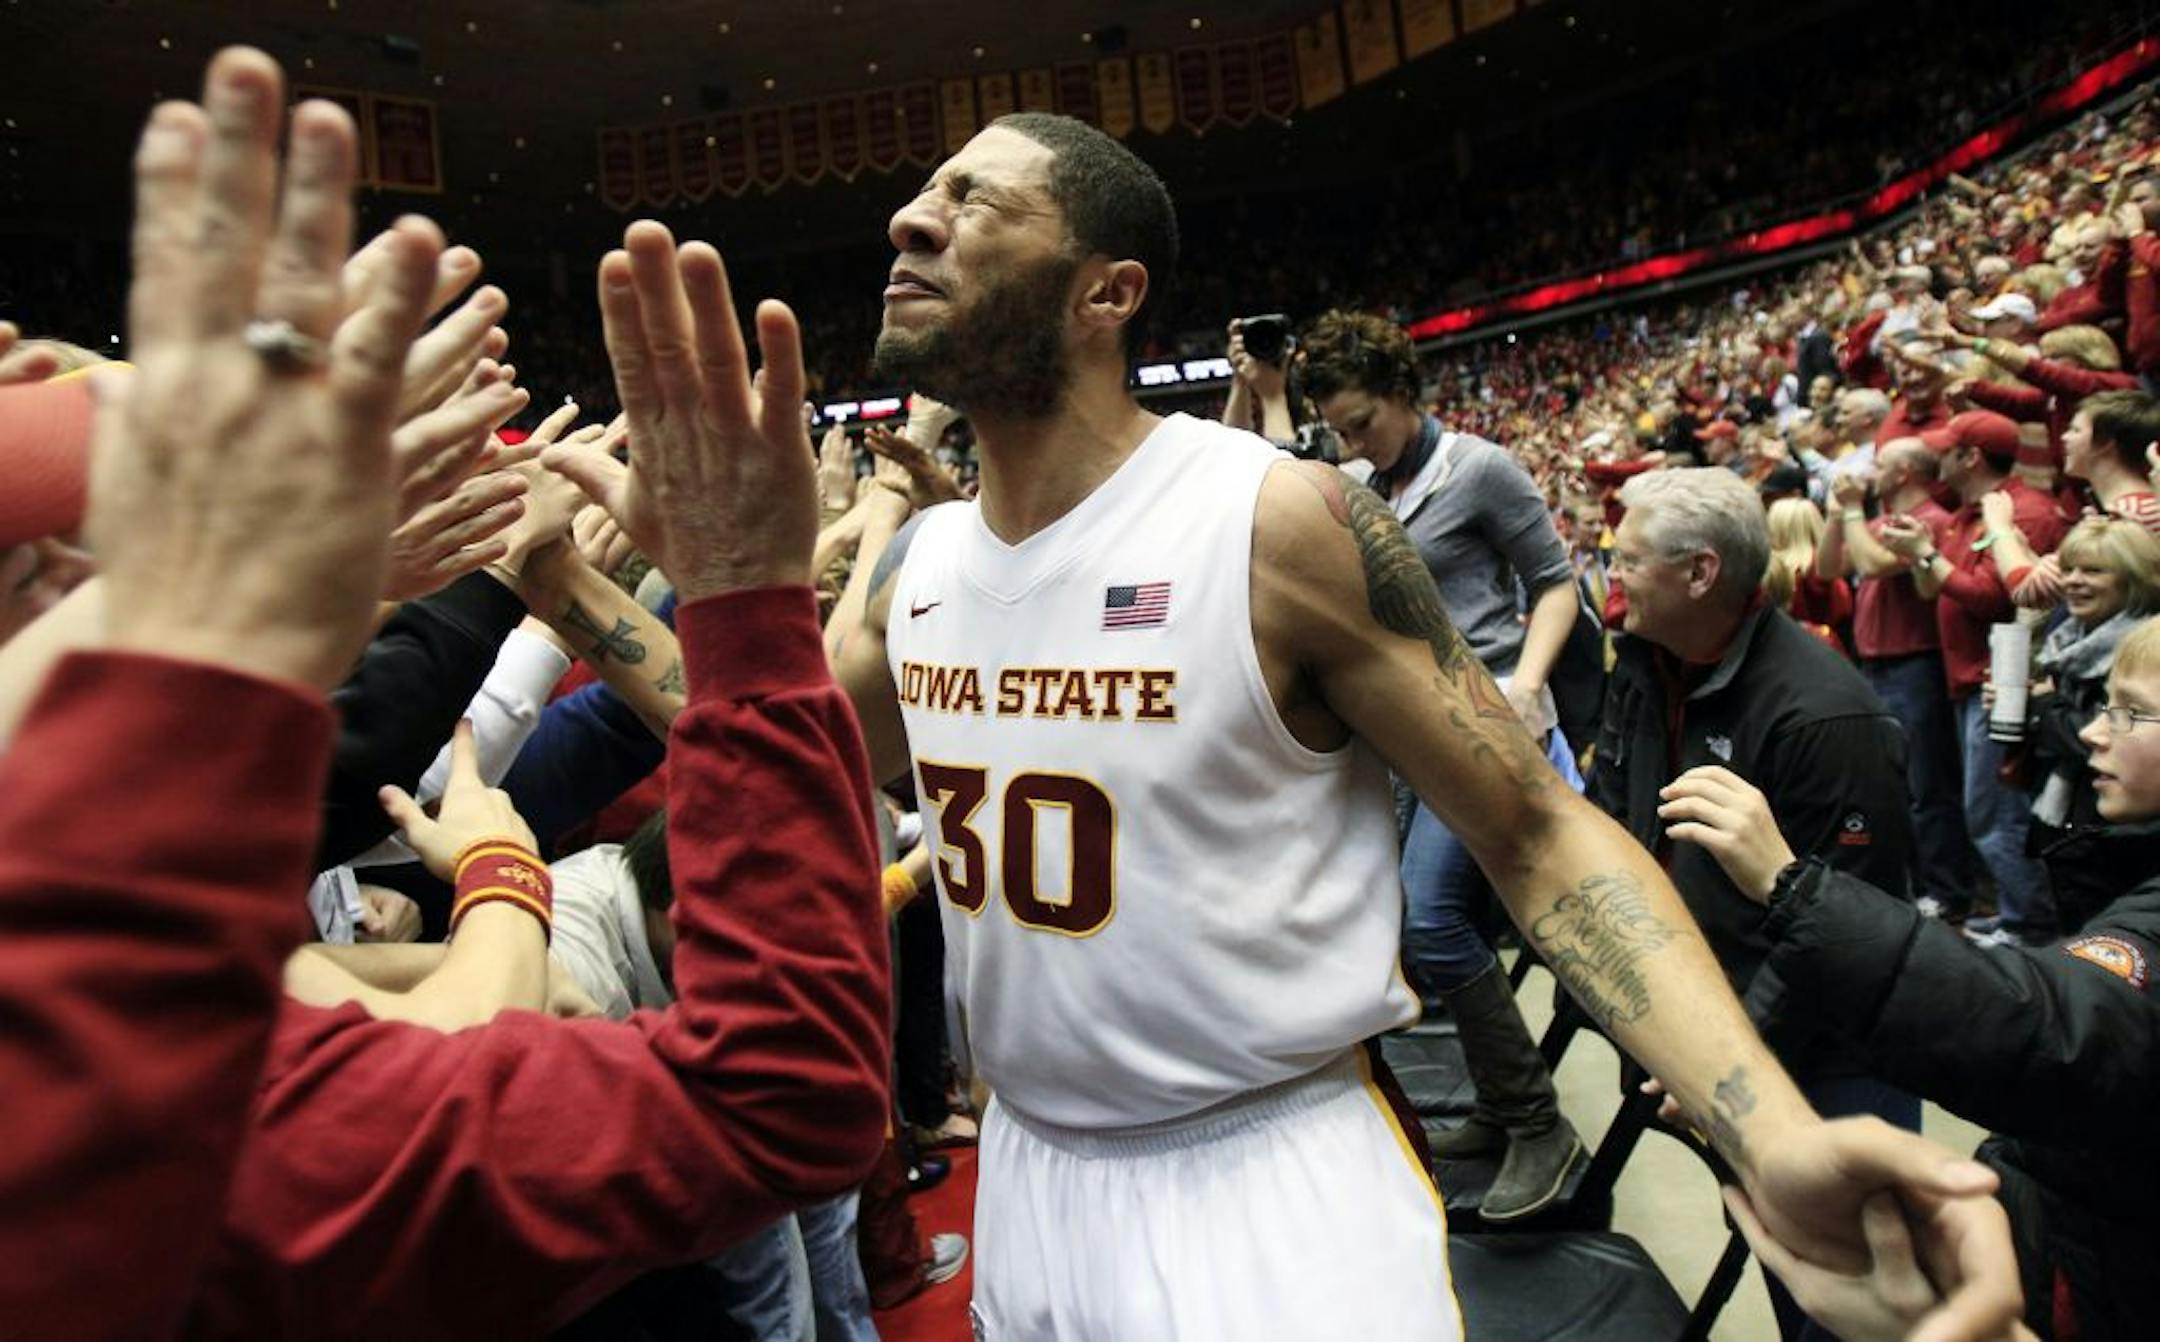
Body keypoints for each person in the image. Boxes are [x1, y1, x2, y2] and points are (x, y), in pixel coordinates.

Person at [556, 110, 2023, 1341]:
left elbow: (1533, 828)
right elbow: (763, 741)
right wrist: (559, 582)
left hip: (1261, 1168)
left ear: (1106, 290)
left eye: (968, 200)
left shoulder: (1275, 516)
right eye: (920, 195)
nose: (908, 221)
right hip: (1032, 1169)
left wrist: (1761, 1126)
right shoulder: (921, 564)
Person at [1659, 614, 2160, 1341]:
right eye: (2101, 705)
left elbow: (2054, 1028)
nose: (2093, 732)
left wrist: (1790, 883)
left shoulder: (1824, 708)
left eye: (2132, 711)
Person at [1300, 307, 1587, 1222]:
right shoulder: (1361, 479)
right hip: (1411, 733)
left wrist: (1528, 683)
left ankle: (1543, 1128)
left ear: (1402, 394)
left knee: (1431, 924)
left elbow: (1555, 583)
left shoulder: (1480, 469)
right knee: (1420, 922)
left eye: (1361, 423)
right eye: (1338, 430)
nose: (1351, 442)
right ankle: (1508, 1109)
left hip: (1486, 720)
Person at [1886, 410, 2072, 945]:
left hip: (2005, 684)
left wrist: (1925, 555)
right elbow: (1936, 591)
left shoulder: (2023, 511)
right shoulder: (1969, 515)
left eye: (1945, 448)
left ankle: (2029, 925)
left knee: (1998, 815)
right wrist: (1922, 555)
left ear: (1969, 457)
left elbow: (1998, 597)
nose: (1934, 458)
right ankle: (2017, 913)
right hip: (1970, 680)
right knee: (1985, 813)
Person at [1818, 439, 1973, 922]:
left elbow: (1871, 564)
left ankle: (1949, 892)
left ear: (1905, 472)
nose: (1870, 472)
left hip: (1916, 665)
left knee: (1929, 784)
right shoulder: (1874, 522)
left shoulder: (1931, 519)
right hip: (1876, 665)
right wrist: (1834, 514)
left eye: (1880, 464)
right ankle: (1915, 885)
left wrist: (1849, 512)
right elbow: (1828, 568)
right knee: (1895, 784)